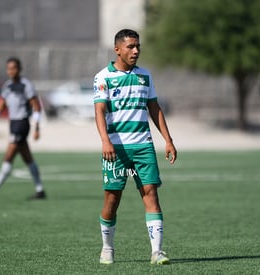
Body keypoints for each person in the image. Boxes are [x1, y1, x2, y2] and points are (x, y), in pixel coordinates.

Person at [93, 29, 177, 265]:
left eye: (138, 46)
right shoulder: (103, 77)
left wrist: (168, 140)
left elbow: (154, 108)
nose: (136, 51)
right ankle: (107, 248)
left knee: (151, 193)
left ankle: (157, 252)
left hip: (143, 147)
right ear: (117, 49)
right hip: (116, 150)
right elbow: (99, 112)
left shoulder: (145, 76)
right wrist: (105, 141)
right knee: (112, 199)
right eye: (131, 46)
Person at [0, 57, 46, 200]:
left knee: (8, 156)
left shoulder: (26, 85)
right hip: (13, 124)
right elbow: (1, 106)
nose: (11, 71)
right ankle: (40, 190)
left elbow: (36, 107)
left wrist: (37, 128)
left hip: (22, 124)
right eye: (9, 68)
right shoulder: (7, 86)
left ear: (19, 69)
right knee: (28, 158)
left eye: (14, 68)